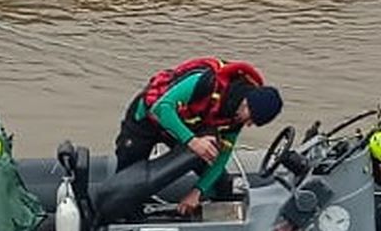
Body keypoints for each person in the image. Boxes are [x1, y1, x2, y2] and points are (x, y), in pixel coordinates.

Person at [116, 57, 283, 216]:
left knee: (222, 184)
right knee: (126, 184)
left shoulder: (235, 117)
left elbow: (222, 157)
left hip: (185, 126)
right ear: (246, 104)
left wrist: (198, 191)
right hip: (148, 120)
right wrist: (193, 141)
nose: (249, 125)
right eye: (251, 119)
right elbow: (162, 108)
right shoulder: (205, 82)